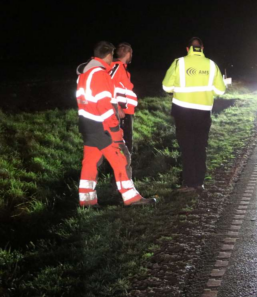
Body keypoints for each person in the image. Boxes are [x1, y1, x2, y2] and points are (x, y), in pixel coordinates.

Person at [76, 41, 155, 207]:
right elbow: (104, 105)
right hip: (102, 126)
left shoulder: (85, 74)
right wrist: (114, 128)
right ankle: (131, 197)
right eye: (112, 55)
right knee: (120, 159)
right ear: (108, 55)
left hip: (87, 124)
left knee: (90, 163)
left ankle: (87, 200)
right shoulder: (99, 74)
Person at [162, 37, 226, 192]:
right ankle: (199, 182)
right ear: (202, 48)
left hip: (182, 111)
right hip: (203, 112)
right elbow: (220, 91)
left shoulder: (179, 63)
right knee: (200, 146)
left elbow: (166, 86)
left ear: (187, 49)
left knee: (187, 147)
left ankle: (189, 183)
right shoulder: (211, 64)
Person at [110, 43, 137, 155]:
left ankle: (124, 167)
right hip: (120, 113)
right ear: (128, 53)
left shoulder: (122, 68)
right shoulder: (116, 67)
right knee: (122, 143)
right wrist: (117, 107)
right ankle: (122, 168)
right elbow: (106, 85)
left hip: (125, 112)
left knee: (125, 142)